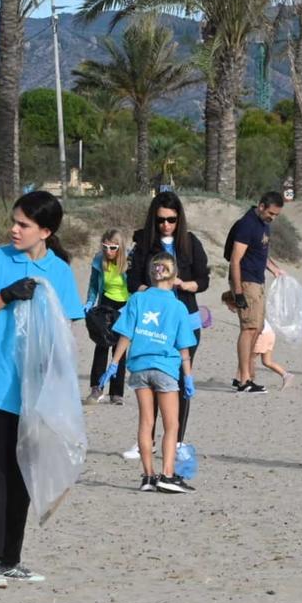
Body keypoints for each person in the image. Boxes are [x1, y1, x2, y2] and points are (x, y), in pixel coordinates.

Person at [0, 191, 84, 588]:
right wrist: (6, 295)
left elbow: (66, 334)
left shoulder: (60, 272)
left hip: (35, 391)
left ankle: (11, 559)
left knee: (22, 475)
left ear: (46, 231)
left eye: (24, 224)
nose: (13, 229)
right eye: (13, 221)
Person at [121, 190, 210, 459]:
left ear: (179, 219)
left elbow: (203, 280)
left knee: (181, 380)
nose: (166, 225)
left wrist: (185, 284)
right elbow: (132, 282)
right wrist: (150, 291)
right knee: (152, 380)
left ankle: (178, 440)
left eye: (171, 220)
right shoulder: (144, 245)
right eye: (160, 220)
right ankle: (146, 439)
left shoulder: (191, 243)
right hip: (153, 325)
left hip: (184, 321)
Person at [102, 253, 196, 493]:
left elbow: (126, 334)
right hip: (165, 368)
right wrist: (188, 376)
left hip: (139, 368)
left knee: (146, 422)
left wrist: (114, 363)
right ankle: (166, 474)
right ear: (174, 276)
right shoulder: (178, 307)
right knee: (171, 424)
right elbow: (184, 347)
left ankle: (148, 476)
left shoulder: (137, 299)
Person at [227, 191, 286, 394]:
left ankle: (242, 376)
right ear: (261, 206)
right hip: (246, 281)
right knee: (249, 329)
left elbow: (260, 254)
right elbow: (235, 259)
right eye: (271, 213)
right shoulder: (247, 224)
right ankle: (244, 380)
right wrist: (238, 292)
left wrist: (274, 269)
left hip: (258, 281)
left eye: (276, 215)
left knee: (257, 328)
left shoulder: (263, 225)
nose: (273, 217)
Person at [84, 228, 130, 405]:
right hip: (105, 302)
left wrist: (130, 307)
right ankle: (97, 387)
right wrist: (89, 302)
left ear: (120, 248)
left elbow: (133, 287)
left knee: (120, 348)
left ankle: (116, 392)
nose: (108, 251)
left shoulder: (129, 263)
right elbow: (94, 285)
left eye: (113, 248)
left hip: (124, 305)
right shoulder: (98, 260)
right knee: (102, 344)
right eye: (105, 247)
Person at [221, 291, 294, 389]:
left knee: (247, 357)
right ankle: (286, 375)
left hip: (263, 335)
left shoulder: (244, 311)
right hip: (269, 334)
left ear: (233, 302)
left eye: (228, 305)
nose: (228, 308)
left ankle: (248, 379)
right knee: (267, 362)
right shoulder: (249, 308)